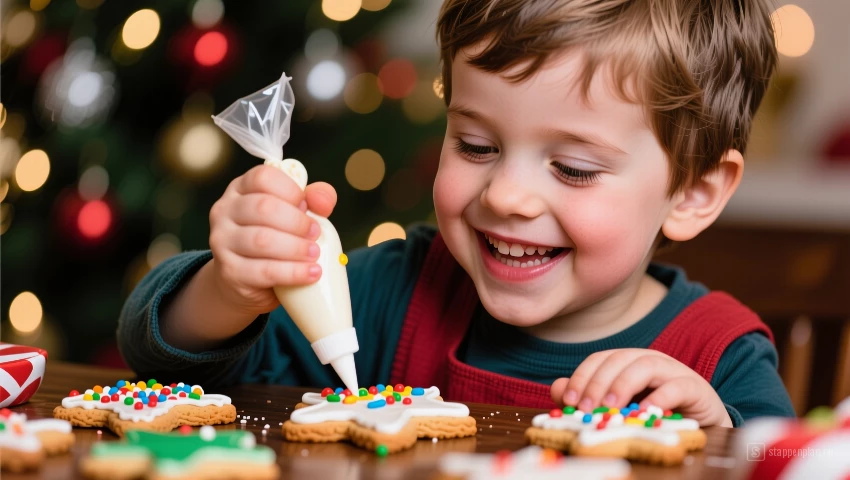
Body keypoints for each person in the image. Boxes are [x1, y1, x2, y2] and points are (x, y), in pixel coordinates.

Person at [118, 0, 795, 426]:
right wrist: (230, 288)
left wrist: (719, 432)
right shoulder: (385, 297)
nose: (505, 195)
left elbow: (788, 462)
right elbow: (171, 366)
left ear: (693, 192)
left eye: (573, 168)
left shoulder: (718, 356)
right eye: (476, 145)